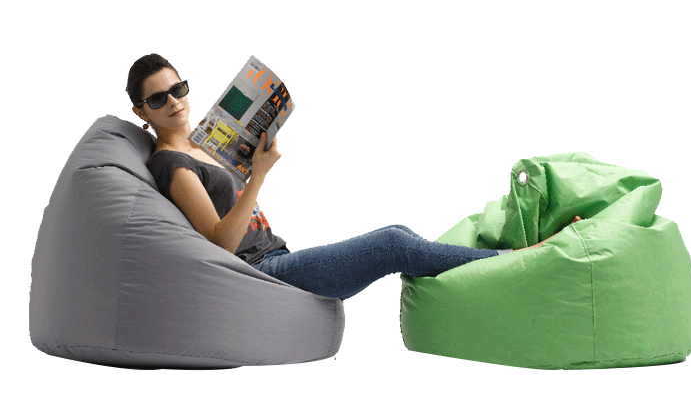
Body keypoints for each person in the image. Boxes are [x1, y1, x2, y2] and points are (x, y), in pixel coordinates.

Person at [128, 53, 579, 300]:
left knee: (399, 232)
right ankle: (519, 259)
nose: (174, 102)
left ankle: (496, 265)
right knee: (393, 244)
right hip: (261, 274)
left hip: (278, 257)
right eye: (158, 99)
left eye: (178, 89)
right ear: (140, 112)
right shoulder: (172, 164)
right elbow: (221, 244)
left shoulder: (203, 144)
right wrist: (259, 176)